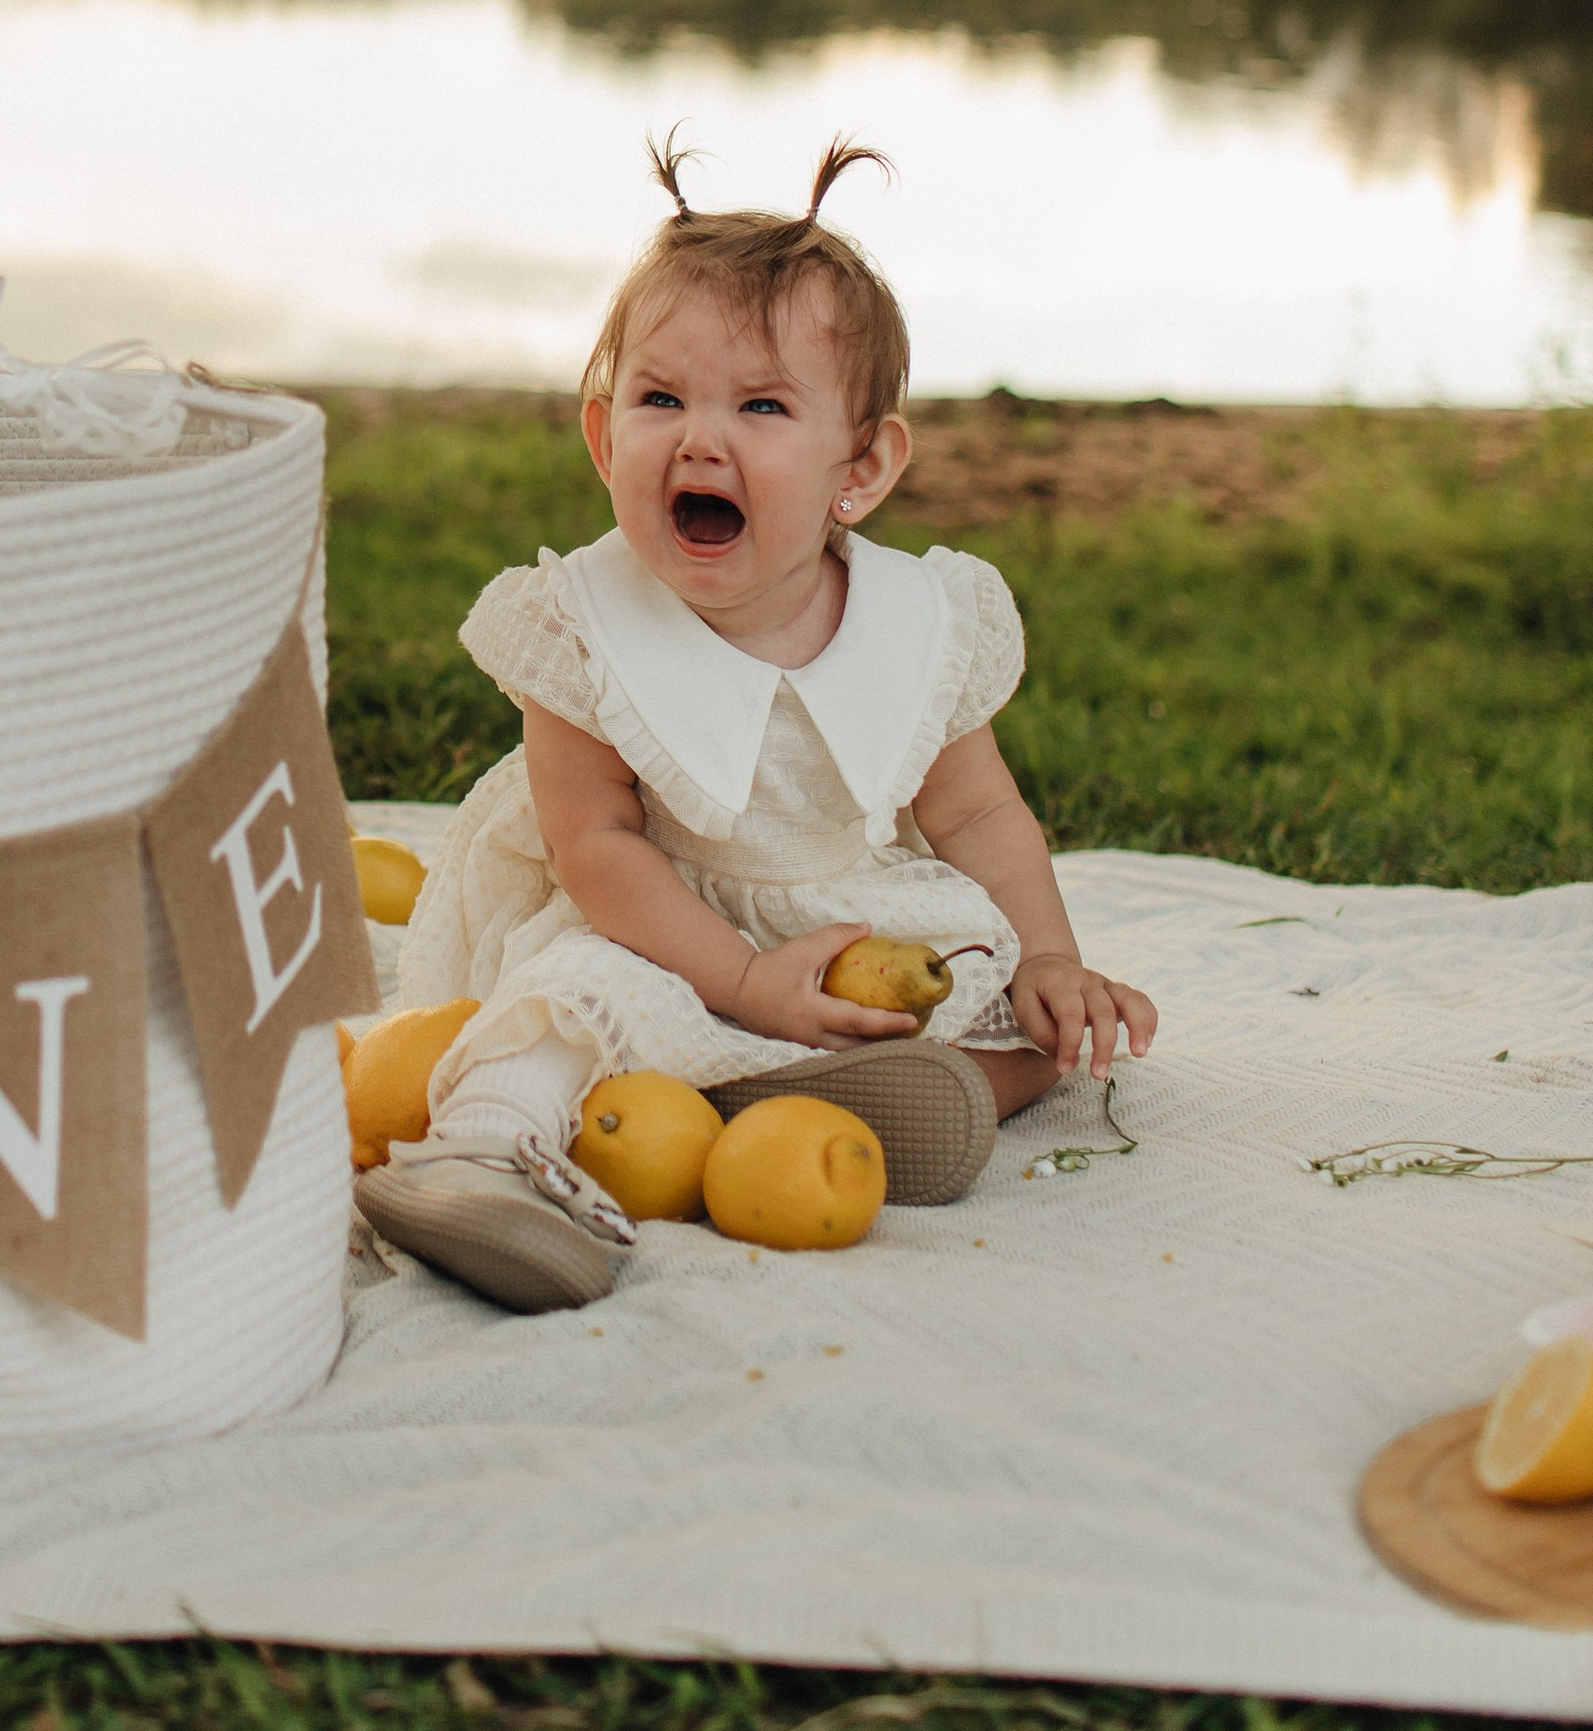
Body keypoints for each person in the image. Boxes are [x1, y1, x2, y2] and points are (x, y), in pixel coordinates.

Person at [356, 137, 1157, 1312]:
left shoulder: (918, 619)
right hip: (649, 919)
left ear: (860, 467)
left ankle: (790, 1098)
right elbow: (595, 846)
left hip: (838, 913)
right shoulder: (578, 625)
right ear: (602, 437)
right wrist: (736, 978)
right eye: (660, 399)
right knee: (570, 996)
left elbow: (977, 808)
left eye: (763, 406)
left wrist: (1047, 957)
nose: (700, 438)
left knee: (1021, 1019)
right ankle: (482, 1152)